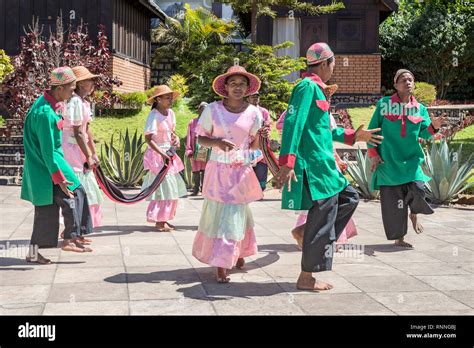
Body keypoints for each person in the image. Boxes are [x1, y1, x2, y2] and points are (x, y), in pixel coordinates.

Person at [276, 43, 382, 291]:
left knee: (350, 198)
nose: (334, 68)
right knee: (322, 220)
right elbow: (293, 123)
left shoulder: (318, 90)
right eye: (333, 63)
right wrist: (287, 163)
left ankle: (305, 231)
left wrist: (354, 135)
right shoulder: (306, 87)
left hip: (327, 167)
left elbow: (326, 129)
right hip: (315, 168)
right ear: (325, 63)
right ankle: (306, 278)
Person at [192, 65, 270, 283]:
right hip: (217, 170)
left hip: (241, 172)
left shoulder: (254, 113)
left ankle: (236, 252)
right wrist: (216, 142)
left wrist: (252, 151)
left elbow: (255, 145)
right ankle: (221, 261)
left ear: (248, 88)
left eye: (242, 84)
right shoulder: (212, 110)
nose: (237, 88)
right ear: (225, 87)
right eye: (233, 83)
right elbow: (200, 138)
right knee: (220, 213)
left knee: (237, 213)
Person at [21, 67, 94, 264]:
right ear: (59, 88)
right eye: (71, 89)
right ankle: (69, 238)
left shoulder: (50, 104)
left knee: (71, 196)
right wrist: (60, 179)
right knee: (64, 201)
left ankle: (72, 236)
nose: (73, 92)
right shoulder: (45, 112)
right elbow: (47, 151)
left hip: (52, 163)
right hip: (46, 167)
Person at [367, 69, 446, 248]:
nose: (407, 82)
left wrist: (434, 127)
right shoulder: (384, 104)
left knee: (418, 189)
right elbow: (372, 132)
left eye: (410, 80)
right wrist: (373, 155)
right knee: (394, 204)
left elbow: (425, 134)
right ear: (395, 85)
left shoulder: (420, 109)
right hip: (388, 162)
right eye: (403, 80)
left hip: (411, 161)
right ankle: (399, 238)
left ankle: (414, 214)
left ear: (414, 84)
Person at [62, 66, 103, 232]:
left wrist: (93, 153)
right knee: (76, 185)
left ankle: (78, 229)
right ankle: (70, 229)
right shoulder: (74, 102)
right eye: (89, 80)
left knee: (87, 188)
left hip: (80, 147)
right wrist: (88, 155)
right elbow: (78, 132)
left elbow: (87, 131)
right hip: (72, 148)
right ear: (79, 84)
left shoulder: (84, 103)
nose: (92, 83)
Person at [141, 85, 187, 232]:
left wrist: (176, 139)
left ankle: (164, 218)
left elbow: (171, 132)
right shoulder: (154, 115)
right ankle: (159, 220)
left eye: (170, 97)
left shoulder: (171, 113)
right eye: (167, 97)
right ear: (158, 99)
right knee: (162, 187)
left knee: (170, 187)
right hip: (158, 155)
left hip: (168, 153)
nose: (170, 100)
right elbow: (149, 139)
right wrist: (162, 154)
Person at [247, 92, 272, 192]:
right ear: (248, 98)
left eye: (257, 96)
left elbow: (268, 124)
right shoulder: (244, 110)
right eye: (253, 96)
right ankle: (249, 190)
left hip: (261, 143)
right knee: (248, 167)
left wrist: (265, 132)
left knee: (261, 165)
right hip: (248, 143)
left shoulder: (263, 111)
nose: (255, 98)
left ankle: (261, 188)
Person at [185, 102, 209, 196]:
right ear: (199, 110)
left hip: (205, 149)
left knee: (204, 170)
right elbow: (189, 137)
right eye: (202, 109)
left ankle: (204, 189)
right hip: (195, 149)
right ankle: (196, 188)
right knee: (195, 169)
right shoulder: (192, 122)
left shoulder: (209, 123)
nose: (204, 112)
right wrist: (189, 150)